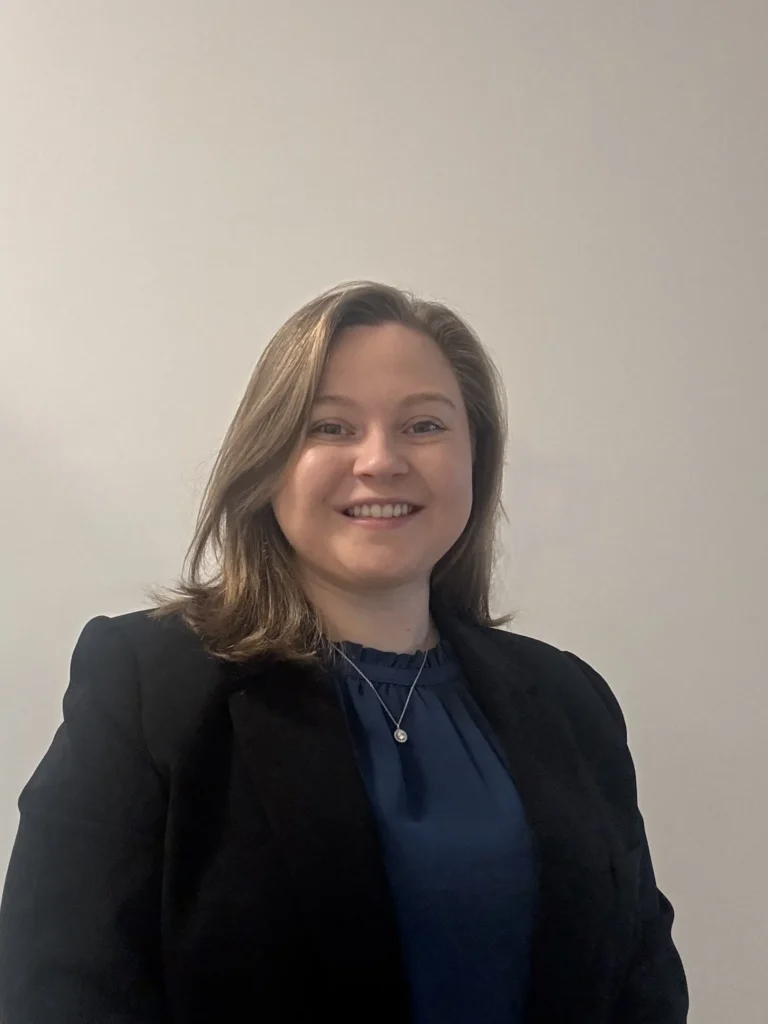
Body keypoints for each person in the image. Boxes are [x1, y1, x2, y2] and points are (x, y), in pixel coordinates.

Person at [0, 280, 688, 1023]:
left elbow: (641, 982)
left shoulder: (572, 700)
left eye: (424, 425)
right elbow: (59, 990)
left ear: (476, 458)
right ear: (268, 460)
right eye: (330, 427)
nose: (381, 460)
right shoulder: (144, 685)